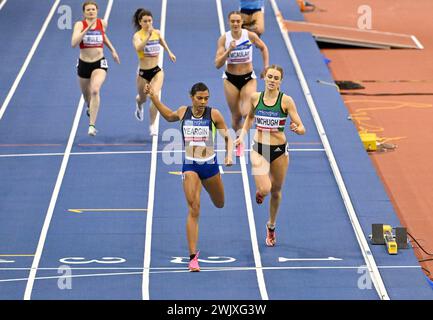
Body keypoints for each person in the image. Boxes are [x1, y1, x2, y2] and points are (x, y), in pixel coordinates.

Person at [144, 82, 233, 272]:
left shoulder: (214, 114)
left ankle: (207, 187)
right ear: (191, 97)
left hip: (210, 166)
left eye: (206, 98)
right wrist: (153, 97)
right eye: (199, 98)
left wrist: (229, 154)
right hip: (190, 165)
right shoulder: (184, 112)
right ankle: (193, 257)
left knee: (220, 203)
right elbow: (168, 116)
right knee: (194, 207)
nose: (203, 102)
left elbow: (228, 137)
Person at [235, 65, 305, 247]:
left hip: (279, 151)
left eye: (276, 78)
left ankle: (271, 226)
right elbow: (250, 118)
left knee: (276, 192)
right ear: (264, 77)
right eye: (270, 77)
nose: (272, 80)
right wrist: (241, 137)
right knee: (266, 189)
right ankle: (260, 191)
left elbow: (302, 126)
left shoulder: (286, 101)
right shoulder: (255, 97)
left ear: (280, 81)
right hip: (258, 148)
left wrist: (298, 129)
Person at [215, 10, 269, 155]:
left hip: (248, 79)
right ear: (229, 22)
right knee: (236, 116)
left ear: (242, 22)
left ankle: (254, 138)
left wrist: (265, 67)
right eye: (233, 21)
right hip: (230, 80)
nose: (235, 24)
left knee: (247, 112)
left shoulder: (249, 36)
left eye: (238, 21)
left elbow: (263, 48)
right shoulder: (223, 39)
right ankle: (238, 141)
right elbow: (217, 64)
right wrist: (228, 51)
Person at [71, 1, 120, 136]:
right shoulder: (79, 25)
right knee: (87, 97)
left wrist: (113, 50)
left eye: (93, 9)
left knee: (95, 90)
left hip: (99, 63)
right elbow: (74, 43)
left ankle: (91, 126)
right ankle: (89, 106)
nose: (91, 11)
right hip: (83, 64)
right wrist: (87, 28)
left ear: (97, 11)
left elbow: (102, 36)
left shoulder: (102, 23)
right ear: (84, 12)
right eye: (88, 10)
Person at [132, 8, 176, 136]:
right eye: (145, 21)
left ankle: (152, 125)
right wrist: (148, 37)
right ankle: (139, 104)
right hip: (143, 73)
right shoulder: (137, 36)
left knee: (154, 96)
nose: (148, 23)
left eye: (150, 21)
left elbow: (161, 41)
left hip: (156, 71)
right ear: (140, 22)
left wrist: (169, 52)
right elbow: (138, 47)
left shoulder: (156, 32)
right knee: (143, 98)